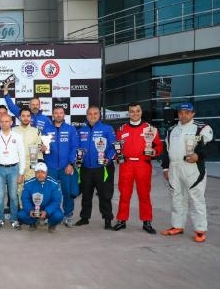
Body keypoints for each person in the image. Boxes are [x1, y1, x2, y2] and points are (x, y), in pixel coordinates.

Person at [161, 103, 214, 243]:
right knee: (176, 198)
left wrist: (198, 156)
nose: (183, 115)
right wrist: (165, 168)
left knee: (196, 198)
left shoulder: (201, 128)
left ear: (193, 113)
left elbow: (210, 146)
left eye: (187, 112)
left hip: (193, 168)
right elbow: (166, 150)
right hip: (174, 168)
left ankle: (200, 230)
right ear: (178, 114)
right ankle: (177, 226)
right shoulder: (172, 129)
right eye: (181, 112)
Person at [113, 102, 163, 234]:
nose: (135, 113)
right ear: (128, 113)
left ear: (141, 112)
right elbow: (117, 148)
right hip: (126, 165)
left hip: (143, 164)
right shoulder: (122, 129)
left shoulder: (150, 129)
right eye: (132, 111)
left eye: (137, 111)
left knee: (144, 194)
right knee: (124, 193)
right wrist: (118, 156)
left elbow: (158, 146)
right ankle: (121, 220)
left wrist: (154, 151)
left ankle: (147, 222)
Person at [75, 105, 116, 229]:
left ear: (99, 115)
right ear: (86, 115)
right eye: (90, 114)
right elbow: (77, 148)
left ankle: (107, 219)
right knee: (86, 194)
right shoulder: (81, 130)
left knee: (105, 195)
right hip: (85, 168)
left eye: (95, 113)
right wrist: (77, 158)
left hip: (102, 168)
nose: (92, 116)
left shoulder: (107, 129)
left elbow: (114, 147)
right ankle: (84, 218)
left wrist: (108, 159)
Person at [40, 106, 79, 227]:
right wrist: (42, 148)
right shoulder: (46, 128)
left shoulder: (71, 129)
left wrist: (71, 163)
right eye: (56, 113)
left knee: (67, 192)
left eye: (60, 113)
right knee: (49, 192)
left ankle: (68, 215)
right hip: (50, 166)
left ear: (64, 114)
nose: (58, 115)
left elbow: (74, 147)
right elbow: (41, 145)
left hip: (65, 166)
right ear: (53, 115)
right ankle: (48, 214)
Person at [0, 114, 25, 230]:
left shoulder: (17, 136)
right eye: (2, 121)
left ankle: (14, 219)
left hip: (14, 169)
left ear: (11, 122)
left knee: (13, 196)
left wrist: (21, 173)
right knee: (0, 196)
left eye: (6, 121)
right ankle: (0, 219)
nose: (4, 123)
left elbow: (22, 155)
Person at [18, 163, 64, 233]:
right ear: (34, 173)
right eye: (38, 172)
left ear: (47, 172)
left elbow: (57, 200)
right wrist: (30, 210)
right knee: (21, 215)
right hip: (34, 209)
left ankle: (51, 224)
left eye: (43, 172)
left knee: (59, 215)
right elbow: (25, 199)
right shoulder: (28, 183)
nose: (40, 175)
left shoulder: (54, 184)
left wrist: (47, 211)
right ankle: (33, 223)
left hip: (49, 209)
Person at [13, 107, 43, 207]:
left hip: (32, 164)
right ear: (19, 117)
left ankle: (34, 212)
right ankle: (23, 212)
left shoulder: (37, 131)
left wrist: (42, 150)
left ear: (31, 117)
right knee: (19, 190)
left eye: (28, 116)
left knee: (33, 190)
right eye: (23, 116)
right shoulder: (13, 131)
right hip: (17, 165)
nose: (26, 118)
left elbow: (39, 149)